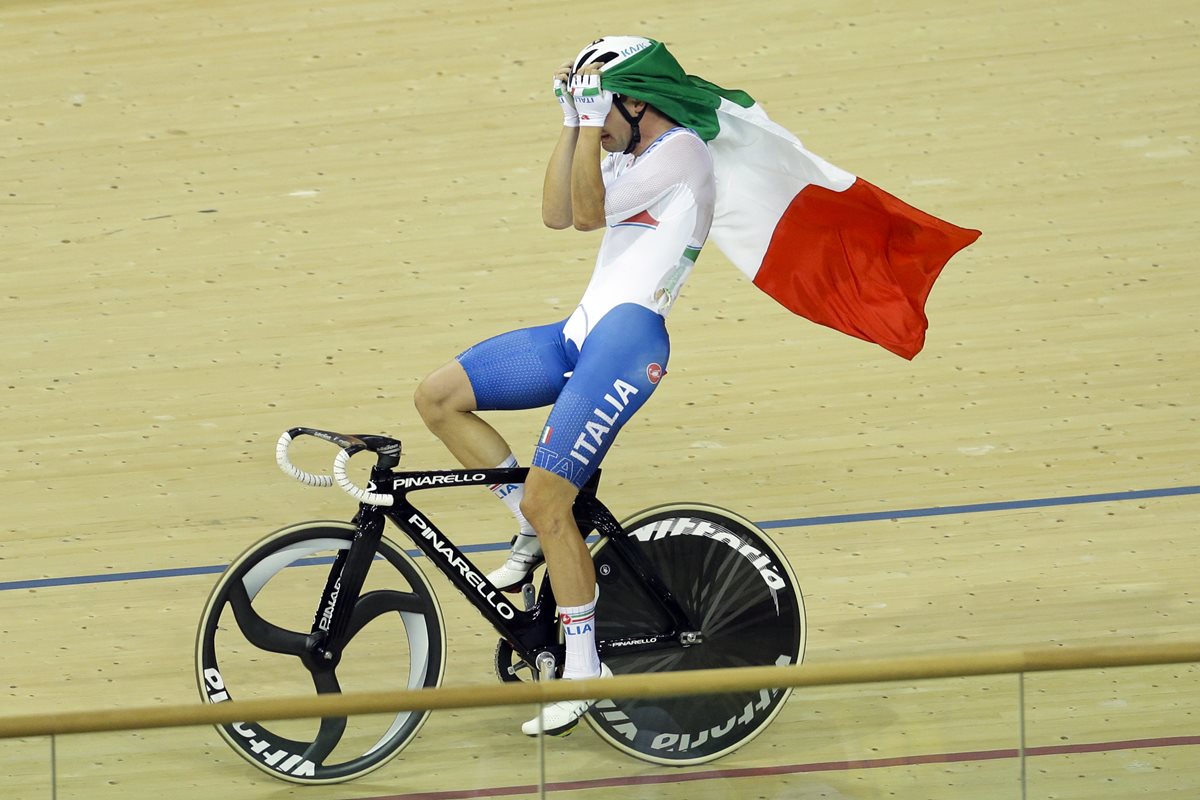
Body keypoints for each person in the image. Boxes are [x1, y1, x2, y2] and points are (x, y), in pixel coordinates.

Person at [413, 36, 715, 737]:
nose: (598, 125)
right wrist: (572, 122)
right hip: (583, 330)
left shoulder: (683, 152)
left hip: (629, 340)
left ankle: (585, 672)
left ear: (636, 101)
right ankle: (525, 522)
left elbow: (585, 213)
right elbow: (555, 212)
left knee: (557, 498)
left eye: (604, 108)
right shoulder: (625, 148)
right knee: (437, 397)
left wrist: (586, 126)